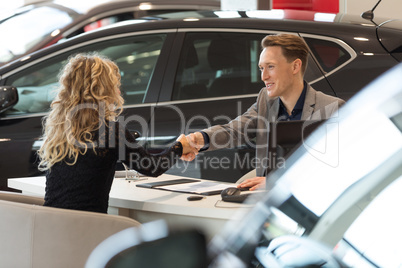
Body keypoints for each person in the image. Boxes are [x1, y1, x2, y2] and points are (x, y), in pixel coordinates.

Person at [181, 34, 345, 190]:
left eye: (271, 67)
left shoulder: (332, 108)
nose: (264, 76)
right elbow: (235, 130)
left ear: (295, 66)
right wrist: (196, 139)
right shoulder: (265, 100)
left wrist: (277, 182)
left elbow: (335, 171)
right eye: (261, 68)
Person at [38, 53, 194, 213]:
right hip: (88, 227)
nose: (118, 92)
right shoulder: (109, 131)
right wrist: (180, 147)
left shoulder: (58, 129)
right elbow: (151, 167)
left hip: (48, 225)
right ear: (102, 91)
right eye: (114, 85)